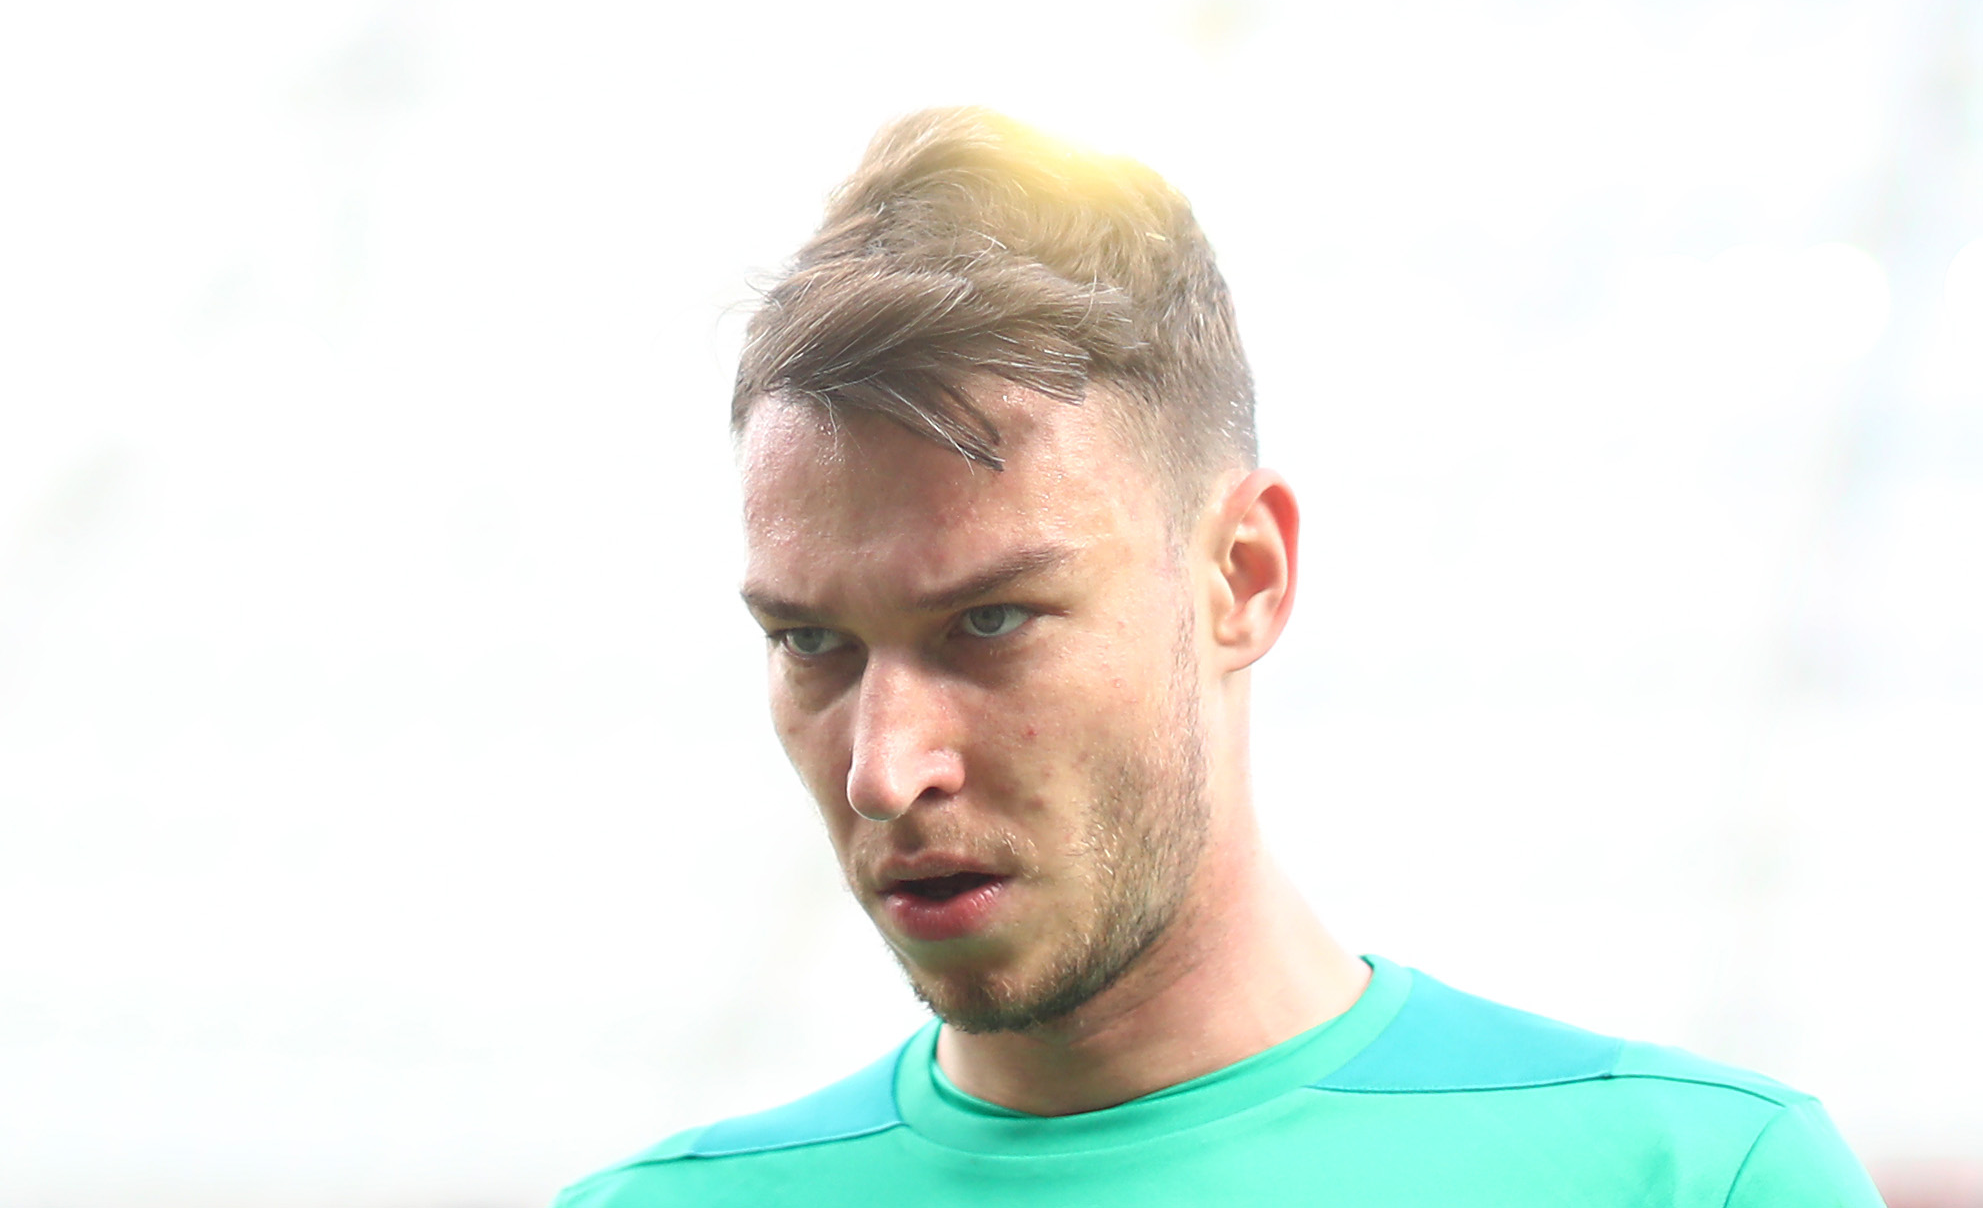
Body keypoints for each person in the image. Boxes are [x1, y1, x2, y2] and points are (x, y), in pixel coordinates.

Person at [559, 108, 1878, 1206]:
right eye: (812, 643)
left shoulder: (1692, 1183)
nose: (885, 769)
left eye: (992, 621)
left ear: (1243, 575)